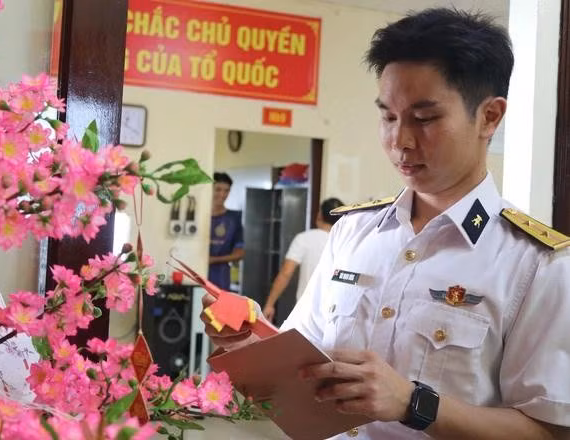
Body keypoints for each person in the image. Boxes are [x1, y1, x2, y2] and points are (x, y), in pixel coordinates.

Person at [202, 8, 570, 439]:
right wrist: (248, 346)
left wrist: (414, 403)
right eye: (388, 117)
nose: (399, 141)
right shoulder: (353, 232)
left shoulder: (537, 265)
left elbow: (548, 431)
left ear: (489, 117)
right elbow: (302, 362)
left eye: (424, 118)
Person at [263, 197, 344, 322]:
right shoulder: (345, 242)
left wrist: (269, 304)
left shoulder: (305, 238)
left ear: (320, 215)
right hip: (336, 313)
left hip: (306, 311)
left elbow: (286, 273)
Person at [208, 172, 244, 291]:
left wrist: (213, 259)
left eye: (226, 190)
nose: (222, 194)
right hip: (195, 274)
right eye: (218, 189)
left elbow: (240, 254)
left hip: (221, 278)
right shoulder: (199, 216)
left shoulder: (233, 218)